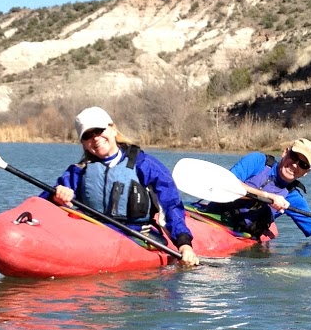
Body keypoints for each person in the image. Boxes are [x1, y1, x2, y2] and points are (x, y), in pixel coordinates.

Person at [47, 106, 200, 267]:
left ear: (112, 129)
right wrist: (56, 196)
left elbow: (171, 206)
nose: (95, 138)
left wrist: (184, 245)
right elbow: (45, 200)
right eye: (87, 135)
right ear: (83, 143)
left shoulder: (145, 165)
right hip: (92, 233)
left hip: (136, 234)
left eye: (99, 130)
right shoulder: (78, 171)